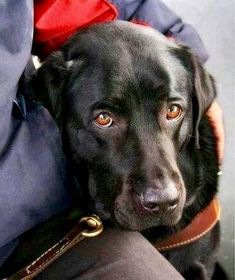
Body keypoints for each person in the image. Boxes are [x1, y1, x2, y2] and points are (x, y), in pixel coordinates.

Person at [0, 0, 224, 278]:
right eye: (105, 119)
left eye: (173, 110)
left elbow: (70, 4)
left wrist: (167, 40)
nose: (165, 191)